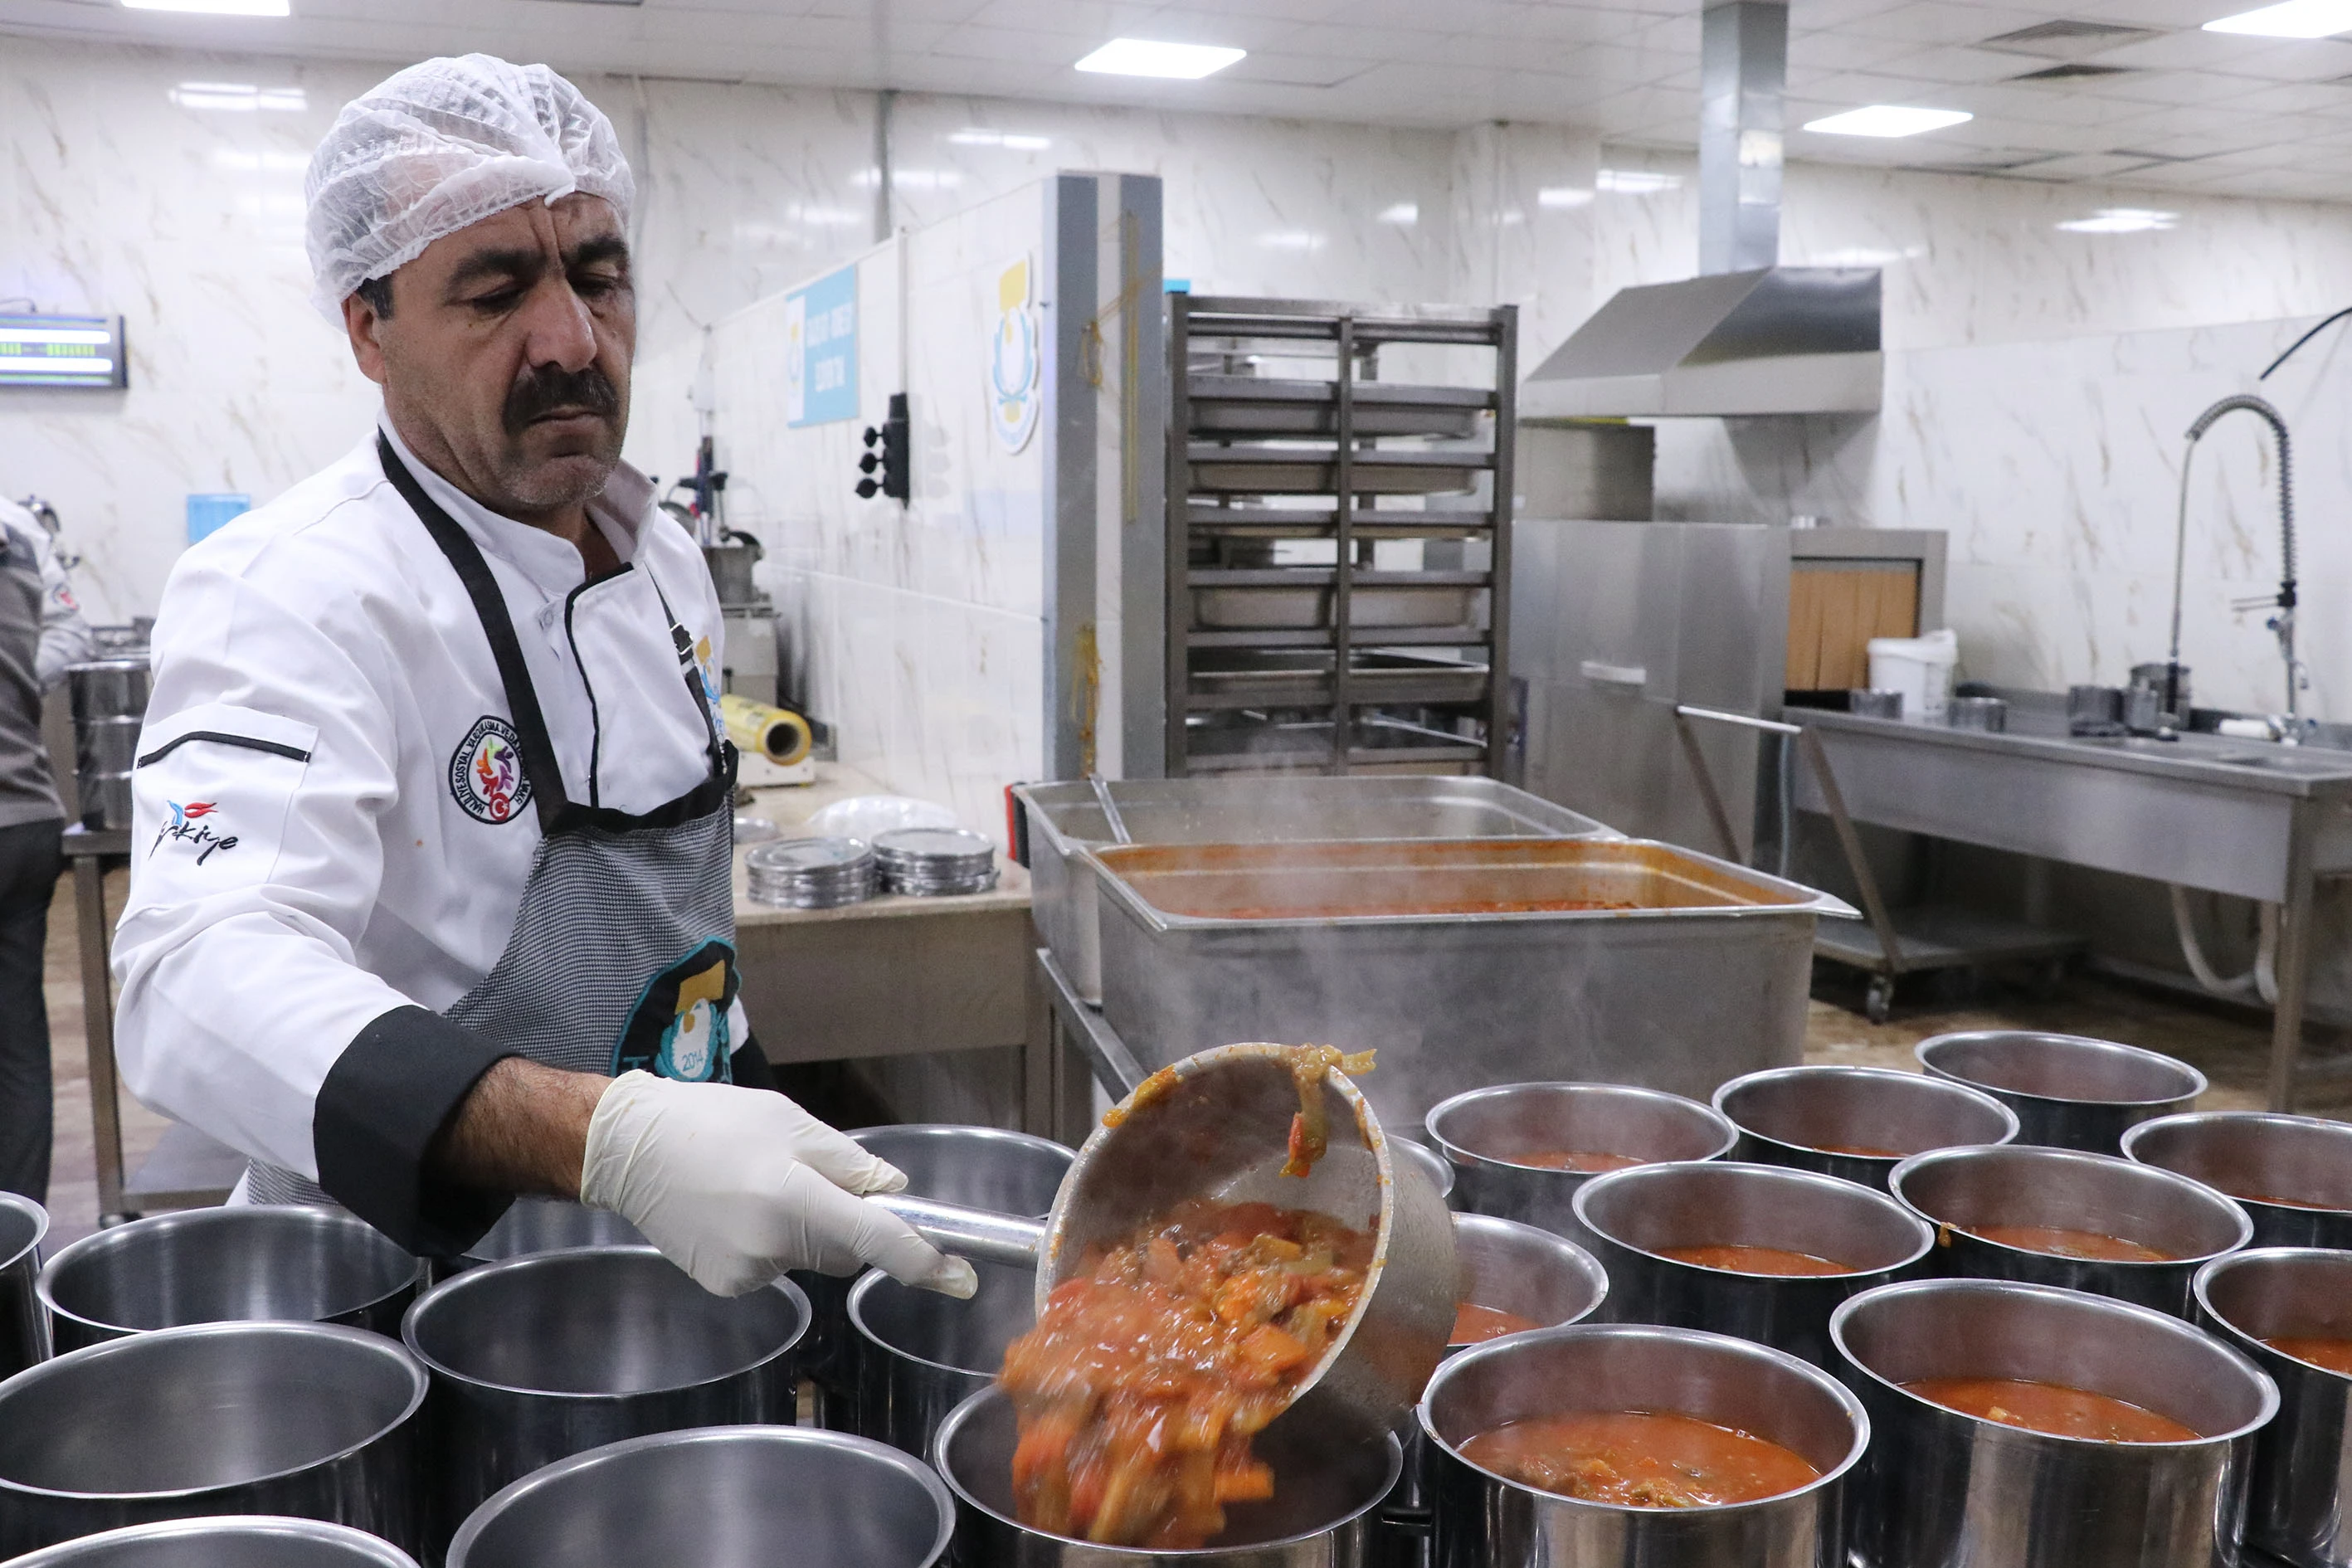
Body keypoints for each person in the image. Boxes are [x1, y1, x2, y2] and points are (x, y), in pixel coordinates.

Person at [110, 56, 971, 1299]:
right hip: (417, 1303)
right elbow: (196, 974)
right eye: (495, 291)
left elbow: (678, 946)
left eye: (597, 275)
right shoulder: (294, 591)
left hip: (676, 1283)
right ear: (368, 325)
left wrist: (756, 1117)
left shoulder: (662, 554)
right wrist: (606, 1137)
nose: (571, 339)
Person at [0, 498, 93, 1201]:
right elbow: (68, 627)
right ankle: (15, 1245)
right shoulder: (17, 526)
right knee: (18, 1049)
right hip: (27, 814)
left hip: (22, 819)